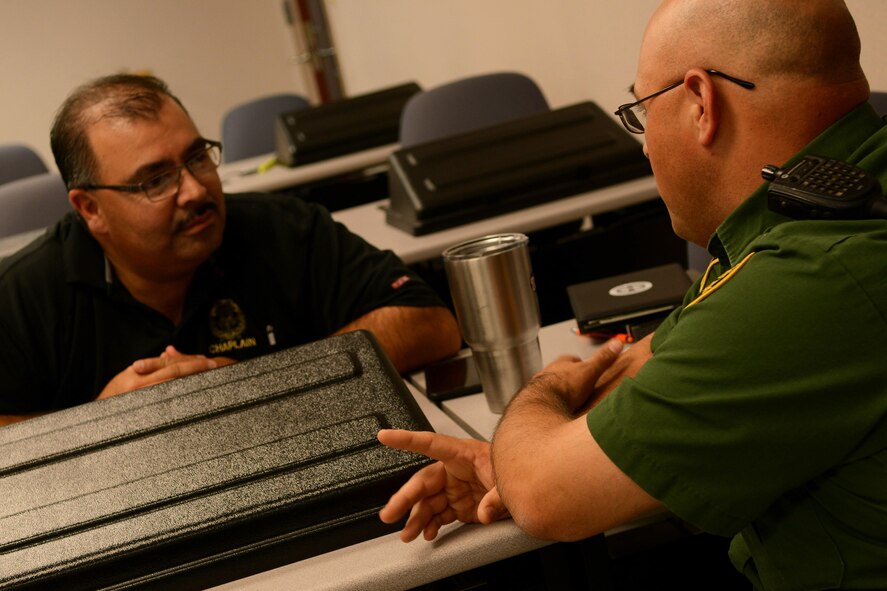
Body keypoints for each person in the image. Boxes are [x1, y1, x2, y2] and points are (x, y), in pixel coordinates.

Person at [378, 1, 887, 589]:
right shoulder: (819, 203)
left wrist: (539, 400)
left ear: (701, 102)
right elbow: (640, 369)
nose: (644, 148)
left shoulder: (813, 276)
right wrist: (516, 462)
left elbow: (549, 496)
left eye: (641, 113)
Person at [0, 74, 462, 426]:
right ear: (90, 208)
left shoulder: (282, 227)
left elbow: (429, 323)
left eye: (198, 157)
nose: (196, 191)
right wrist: (101, 423)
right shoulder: (21, 295)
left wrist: (254, 383)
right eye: (156, 180)